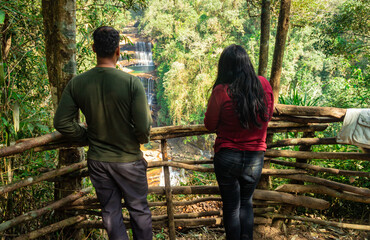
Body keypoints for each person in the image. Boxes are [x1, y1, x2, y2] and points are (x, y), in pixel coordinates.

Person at [54, 26, 153, 240]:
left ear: (93, 48)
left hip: (98, 162)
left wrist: (86, 136)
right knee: (139, 211)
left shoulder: (77, 83)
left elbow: (61, 122)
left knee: (110, 213)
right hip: (129, 161)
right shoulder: (131, 83)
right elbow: (144, 128)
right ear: (118, 50)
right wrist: (140, 139)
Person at [204, 44, 274, 240]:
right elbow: (267, 115)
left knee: (231, 206)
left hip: (227, 156)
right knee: (246, 202)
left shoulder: (221, 91)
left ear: (225, 67)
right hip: (255, 157)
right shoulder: (263, 85)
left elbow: (209, 124)